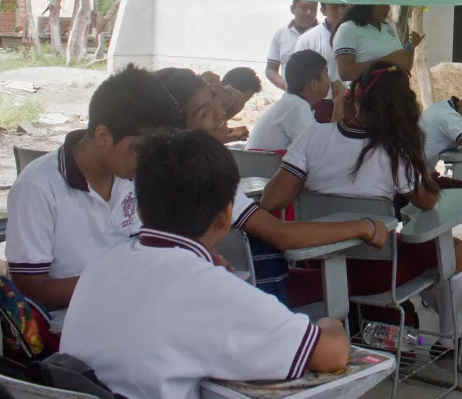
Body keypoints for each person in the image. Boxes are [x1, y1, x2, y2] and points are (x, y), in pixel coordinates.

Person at [59, 130, 358, 398]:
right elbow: (330, 355)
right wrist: (329, 322)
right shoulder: (210, 289)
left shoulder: (102, 265)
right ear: (225, 216)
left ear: (138, 205)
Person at [260, 61, 462, 356]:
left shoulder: (313, 138)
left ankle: (459, 329)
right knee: (453, 250)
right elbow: (427, 202)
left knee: (433, 255)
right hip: (377, 272)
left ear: (354, 93)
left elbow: (271, 201)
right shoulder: (396, 151)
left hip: (317, 265)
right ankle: (449, 336)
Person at [155, 67, 380, 303]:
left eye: (215, 101)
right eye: (204, 113)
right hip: (251, 296)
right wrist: (365, 227)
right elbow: (282, 235)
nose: (221, 113)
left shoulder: (153, 176)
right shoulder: (206, 177)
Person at [6, 66, 178, 328]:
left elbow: (141, 249)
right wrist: (120, 282)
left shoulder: (131, 176)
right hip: (68, 326)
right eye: (142, 150)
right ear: (103, 136)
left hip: (129, 311)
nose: (150, 161)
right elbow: (31, 290)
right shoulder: (38, 186)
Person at [247, 50, 333, 153]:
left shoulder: (293, 102)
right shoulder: (297, 106)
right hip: (265, 167)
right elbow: (318, 151)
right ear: (313, 84)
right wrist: (340, 103)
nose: (329, 79)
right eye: (326, 74)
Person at [333, 4, 422, 83]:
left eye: (388, 5)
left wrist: (411, 48)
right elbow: (345, 73)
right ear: (368, 3)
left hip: (393, 96)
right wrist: (388, 59)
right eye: (382, 4)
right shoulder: (349, 28)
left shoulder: (388, 28)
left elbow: (405, 67)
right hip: (367, 98)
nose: (387, 9)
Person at [266, 0, 319, 91]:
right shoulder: (281, 33)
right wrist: (285, 85)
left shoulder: (324, 34)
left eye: (313, 9)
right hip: (290, 95)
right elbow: (271, 69)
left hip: (321, 99)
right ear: (292, 9)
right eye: (304, 7)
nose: (309, 12)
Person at [294, 2, 350, 86]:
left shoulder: (359, 34)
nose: (340, 11)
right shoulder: (307, 40)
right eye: (334, 7)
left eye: (343, 6)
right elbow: (298, 75)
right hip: (323, 97)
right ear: (323, 10)